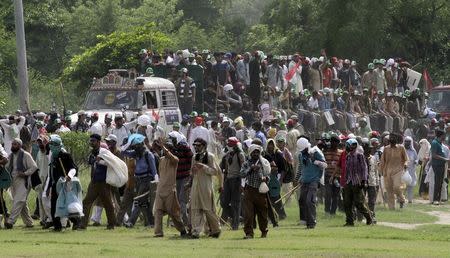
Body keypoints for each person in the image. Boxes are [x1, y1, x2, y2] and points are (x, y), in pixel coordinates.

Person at [80, 134, 117, 230]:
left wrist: (100, 161)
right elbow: (90, 162)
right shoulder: (92, 152)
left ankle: (111, 224)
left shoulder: (104, 152)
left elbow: (111, 164)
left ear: (98, 142)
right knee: (86, 202)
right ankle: (83, 225)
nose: (91, 142)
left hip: (103, 182)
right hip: (94, 181)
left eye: (93, 141)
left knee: (107, 203)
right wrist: (94, 160)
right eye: (90, 141)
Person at [152, 140, 188, 238]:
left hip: (170, 191)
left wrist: (163, 147)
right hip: (160, 189)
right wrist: (156, 146)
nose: (164, 150)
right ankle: (158, 233)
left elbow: (170, 156)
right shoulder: (161, 160)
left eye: (167, 148)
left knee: (173, 213)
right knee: (158, 211)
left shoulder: (175, 160)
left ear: (171, 150)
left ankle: (182, 230)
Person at [121, 134, 158, 227]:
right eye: (133, 147)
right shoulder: (136, 153)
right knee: (145, 203)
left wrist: (156, 181)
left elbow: (154, 170)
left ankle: (130, 222)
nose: (134, 149)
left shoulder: (148, 155)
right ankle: (152, 222)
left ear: (141, 145)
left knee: (138, 201)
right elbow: (123, 152)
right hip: (138, 180)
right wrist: (128, 144)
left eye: (135, 146)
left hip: (146, 180)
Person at [190, 138, 222, 239]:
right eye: (195, 145)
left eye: (198, 145)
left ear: (203, 146)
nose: (196, 147)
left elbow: (215, 172)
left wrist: (203, 166)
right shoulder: (194, 157)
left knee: (209, 210)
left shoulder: (210, 157)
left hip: (206, 187)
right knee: (196, 209)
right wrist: (193, 172)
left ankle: (216, 230)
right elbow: (192, 173)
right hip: (195, 186)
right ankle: (196, 231)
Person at [4, 138, 38, 229]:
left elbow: (34, 167)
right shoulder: (11, 156)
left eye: (14, 144)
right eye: (12, 144)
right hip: (13, 181)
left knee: (18, 201)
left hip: (23, 181)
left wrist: (25, 173)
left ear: (19, 145)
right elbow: (7, 167)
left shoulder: (26, 155)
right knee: (22, 202)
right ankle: (29, 222)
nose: (12, 146)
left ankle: (10, 221)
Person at [240, 144, 271, 238]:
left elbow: (268, 174)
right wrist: (251, 169)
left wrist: (265, 178)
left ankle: (264, 231)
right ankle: (249, 233)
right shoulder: (246, 163)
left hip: (261, 191)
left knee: (262, 213)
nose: (256, 154)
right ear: (250, 153)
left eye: (257, 152)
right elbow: (242, 174)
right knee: (248, 214)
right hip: (249, 190)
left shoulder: (264, 162)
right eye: (254, 152)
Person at [297, 137, 327, 229]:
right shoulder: (301, 155)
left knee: (309, 201)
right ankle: (306, 221)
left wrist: (315, 161)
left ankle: (312, 222)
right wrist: (300, 178)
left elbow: (325, 165)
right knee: (302, 200)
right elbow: (303, 168)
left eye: (304, 149)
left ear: (307, 146)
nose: (303, 151)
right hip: (304, 181)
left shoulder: (315, 152)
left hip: (314, 181)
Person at [343, 139, 374, 226]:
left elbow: (364, 168)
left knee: (358, 203)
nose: (347, 147)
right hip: (349, 182)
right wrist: (345, 181)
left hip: (358, 182)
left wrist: (364, 180)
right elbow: (347, 170)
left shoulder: (360, 155)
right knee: (347, 202)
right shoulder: (348, 156)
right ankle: (349, 221)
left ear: (354, 146)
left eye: (348, 145)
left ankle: (369, 217)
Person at [220, 137, 245, 230]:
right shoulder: (227, 155)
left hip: (237, 180)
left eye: (230, 145)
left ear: (234, 146)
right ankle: (236, 218)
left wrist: (242, 184)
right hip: (228, 180)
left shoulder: (240, 155)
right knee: (224, 202)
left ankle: (235, 224)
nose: (228, 146)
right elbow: (222, 167)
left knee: (235, 203)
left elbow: (243, 170)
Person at [380, 133, 408, 209]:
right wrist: (381, 171)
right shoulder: (386, 149)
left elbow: (406, 159)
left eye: (393, 138)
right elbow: (383, 161)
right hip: (388, 172)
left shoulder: (401, 148)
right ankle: (392, 208)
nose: (392, 140)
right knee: (389, 190)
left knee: (396, 187)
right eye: (391, 138)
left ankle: (402, 199)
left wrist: (405, 164)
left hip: (398, 171)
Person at [323, 135, 343, 216]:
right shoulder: (326, 152)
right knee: (328, 194)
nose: (334, 144)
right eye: (333, 142)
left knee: (336, 195)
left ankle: (333, 212)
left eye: (336, 143)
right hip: (328, 176)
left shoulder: (341, 153)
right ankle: (327, 211)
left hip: (337, 177)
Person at [429, 130, 448, 205]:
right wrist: (445, 159)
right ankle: (435, 199)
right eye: (444, 135)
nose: (445, 137)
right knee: (437, 182)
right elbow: (434, 155)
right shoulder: (434, 143)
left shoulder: (440, 143)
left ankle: (438, 199)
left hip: (442, 165)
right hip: (437, 165)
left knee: (440, 182)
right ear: (441, 135)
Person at [404, 136, 418, 203]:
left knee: (410, 185)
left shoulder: (413, 150)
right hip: (403, 170)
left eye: (408, 142)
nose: (407, 143)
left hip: (411, 170)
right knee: (402, 185)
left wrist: (416, 161)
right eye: (406, 141)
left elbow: (416, 159)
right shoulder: (402, 149)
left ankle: (410, 199)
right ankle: (401, 199)